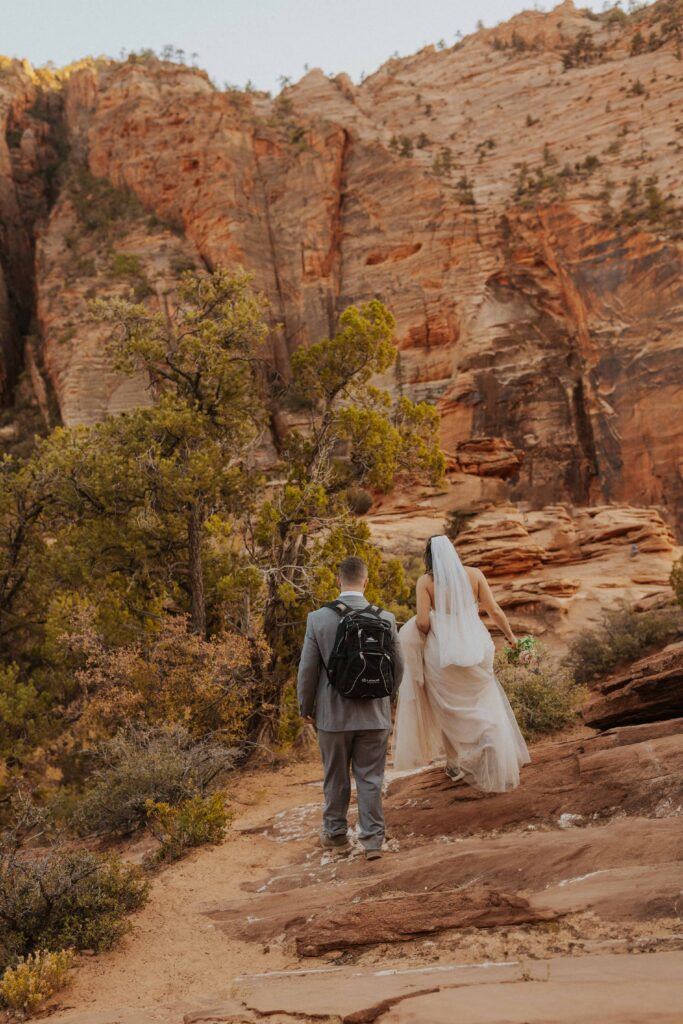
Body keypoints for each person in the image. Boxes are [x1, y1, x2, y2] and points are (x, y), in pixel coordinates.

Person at [393, 535, 529, 792]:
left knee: (446, 706)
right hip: (478, 648)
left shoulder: (426, 582)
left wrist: (428, 624)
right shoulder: (475, 575)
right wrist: (511, 638)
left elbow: (422, 623)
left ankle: (454, 763)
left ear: (429, 558)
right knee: (483, 698)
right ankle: (489, 736)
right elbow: (495, 610)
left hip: (442, 652)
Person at [297, 556, 404, 860]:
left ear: (338, 580)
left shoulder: (318, 619)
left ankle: (336, 836)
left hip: (333, 717)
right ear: (366, 582)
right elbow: (399, 667)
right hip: (375, 715)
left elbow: (307, 670)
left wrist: (306, 707)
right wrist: (386, 700)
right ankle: (372, 842)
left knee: (336, 778)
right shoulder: (386, 617)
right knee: (370, 778)